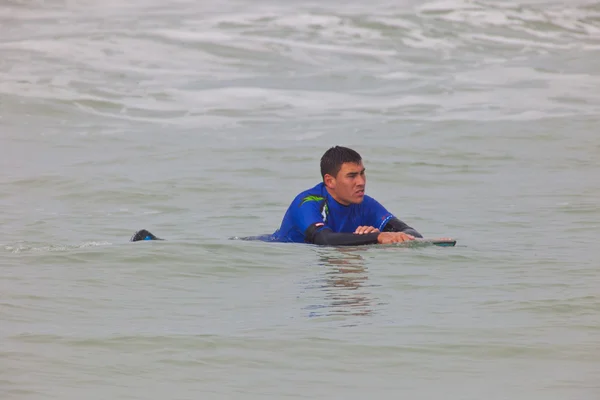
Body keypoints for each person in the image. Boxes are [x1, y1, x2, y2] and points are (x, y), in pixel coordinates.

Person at [271, 146, 423, 246]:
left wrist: (396, 237)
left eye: (362, 173)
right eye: (352, 176)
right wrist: (375, 238)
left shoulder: (365, 204)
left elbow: (410, 232)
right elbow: (323, 239)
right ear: (330, 181)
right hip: (275, 255)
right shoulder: (308, 202)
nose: (361, 182)